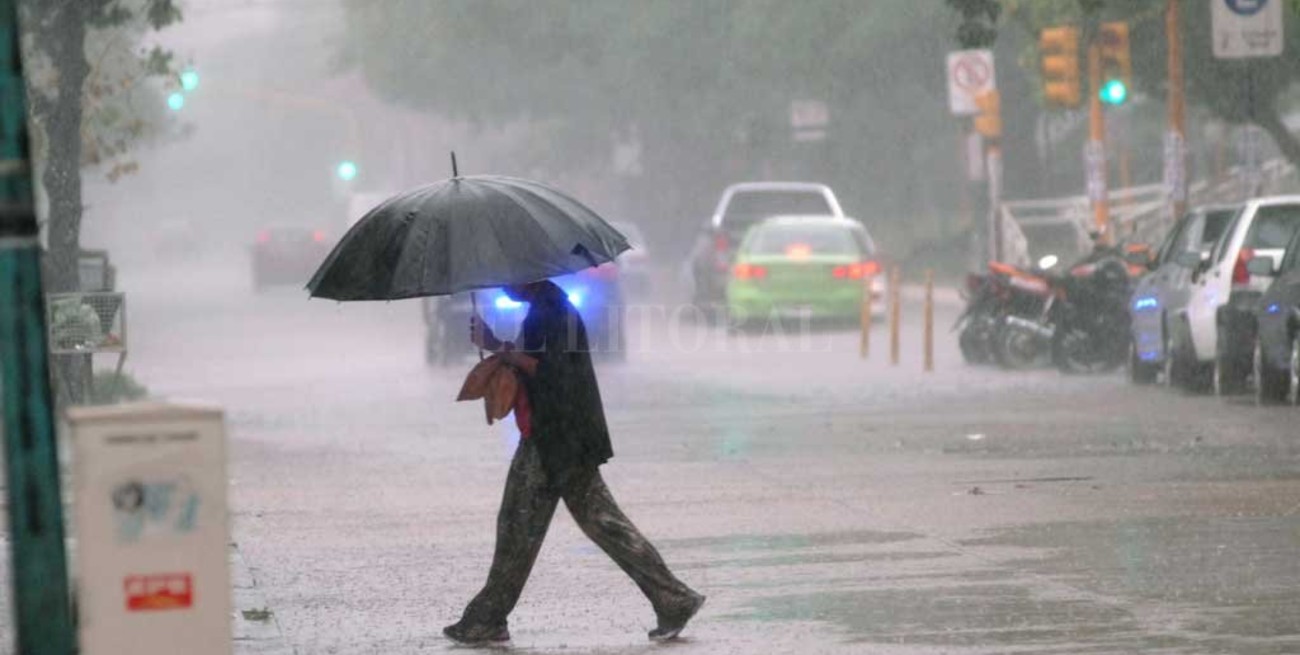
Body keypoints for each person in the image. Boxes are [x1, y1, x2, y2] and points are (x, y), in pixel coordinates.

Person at [444, 279, 705, 645]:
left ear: (529, 273)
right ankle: (673, 598)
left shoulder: (555, 312)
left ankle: (487, 618)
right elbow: (539, 364)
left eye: (509, 276)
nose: (503, 285)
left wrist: (499, 349)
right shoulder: (545, 309)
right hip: (557, 436)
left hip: (559, 439)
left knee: (534, 525)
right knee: (561, 524)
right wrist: (503, 350)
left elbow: (551, 372)